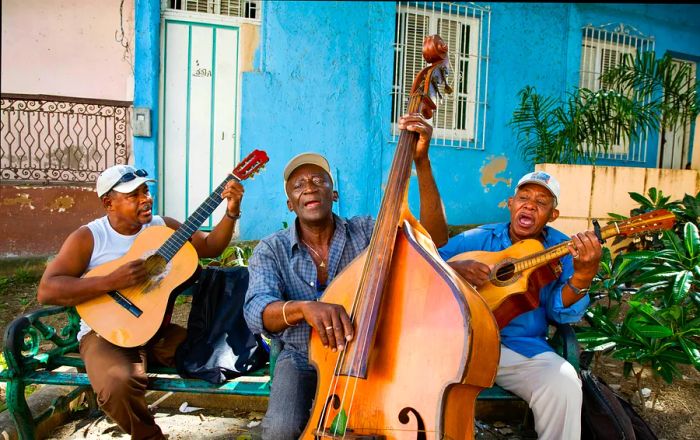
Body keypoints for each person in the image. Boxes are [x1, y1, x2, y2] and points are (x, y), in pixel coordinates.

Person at [243, 113, 448, 439]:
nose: (309, 187)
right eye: (298, 185)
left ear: (333, 194)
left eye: (318, 181)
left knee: (370, 431)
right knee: (280, 430)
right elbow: (258, 312)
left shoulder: (369, 231)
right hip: (300, 358)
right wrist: (305, 309)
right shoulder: (272, 249)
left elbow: (434, 238)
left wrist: (421, 162)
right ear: (290, 204)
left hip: (367, 354)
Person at [37, 164, 244, 440]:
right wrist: (112, 280)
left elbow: (210, 247)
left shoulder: (164, 227)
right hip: (106, 333)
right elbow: (48, 289)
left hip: (156, 331)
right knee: (116, 385)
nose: (145, 198)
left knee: (223, 355)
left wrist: (231, 211)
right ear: (108, 203)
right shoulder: (90, 237)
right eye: (133, 195)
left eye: (146, 190)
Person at [439, 170, 602, 440]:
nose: (530, 204)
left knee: (563, 383)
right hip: (461, 341)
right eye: (524, 197)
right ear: (511, 203)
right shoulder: (479, 238)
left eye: (541, 202)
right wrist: (454, 268)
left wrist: (584, 275)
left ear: (553, 215)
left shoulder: (564, 248)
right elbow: (426, 262)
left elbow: (561, 314)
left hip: (518, 349)